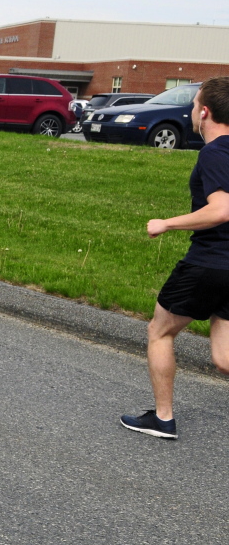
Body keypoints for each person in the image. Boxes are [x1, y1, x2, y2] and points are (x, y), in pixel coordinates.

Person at [120, 77, 229, 440]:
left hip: (210, 262)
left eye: (195, 104)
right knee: (224, 357)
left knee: (160, 331)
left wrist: (166, 223)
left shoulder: (214, 152)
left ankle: (163, 419)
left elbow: (220, 210)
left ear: (205, 111)